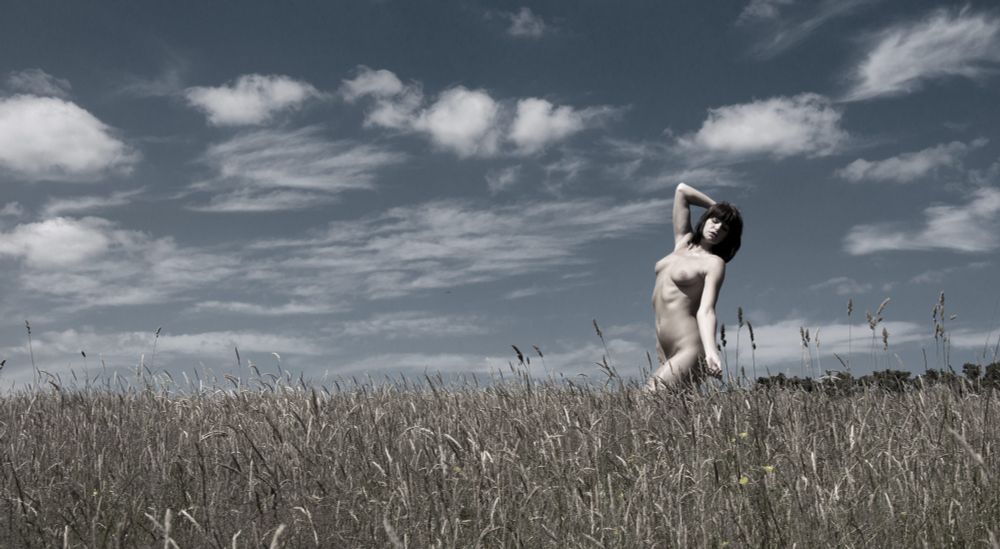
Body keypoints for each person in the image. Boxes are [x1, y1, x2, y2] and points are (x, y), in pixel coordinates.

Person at [647, 182, 743, 389]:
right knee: (675, 416)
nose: (717, 228)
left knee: (645, 402)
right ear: (706, 219)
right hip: (664, 346)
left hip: (689, 346)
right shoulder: (683, 242)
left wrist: (711, 351)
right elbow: (682, 191)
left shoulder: (713, 263)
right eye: (715, 221)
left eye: (725, 228)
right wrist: (717, 207)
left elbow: (706, 310)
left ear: (728, 236)